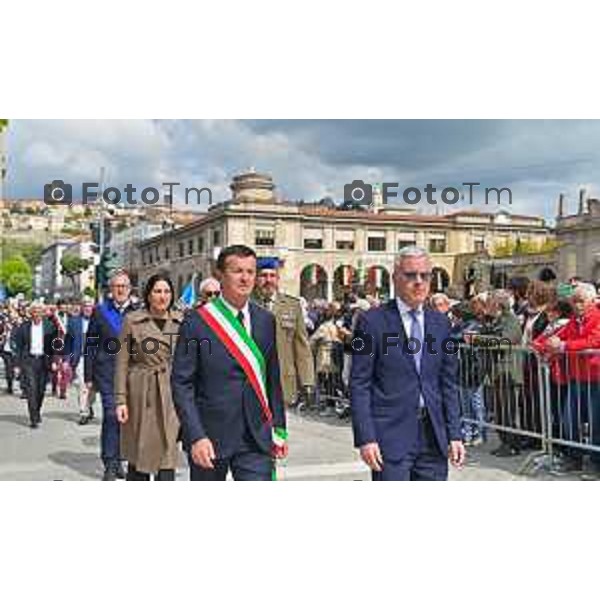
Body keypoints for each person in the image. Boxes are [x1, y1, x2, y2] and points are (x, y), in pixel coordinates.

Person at [171, 244, 287, 481]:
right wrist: (195, 435)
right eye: (237, 271)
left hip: (256, 436)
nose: (245, 278)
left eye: (250, 272)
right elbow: (182, 383)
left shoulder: (265, 320)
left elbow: (272, 379)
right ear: (220, 275)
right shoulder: (197, 321)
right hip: (210, 437)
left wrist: (279, 428)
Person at [350, 246, 465, 480]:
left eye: (425, 275)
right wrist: (366, 437)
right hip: (390, 437)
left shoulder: (441, 324)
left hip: (433, 437)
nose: (419, 282)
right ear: (395, 278)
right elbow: (359, 384)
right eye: (411, 275)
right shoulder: (371, 322)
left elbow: (448, 383)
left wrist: (455, 433)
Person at [115, 273, 183, 481]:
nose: (163, 296)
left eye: (167, 291)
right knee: (139, 455)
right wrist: (121, 400)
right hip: (141, 392)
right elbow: (122, 362)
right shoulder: (133, 320)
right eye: (157, 291)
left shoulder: (181, 321)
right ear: (148, 294)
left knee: (167, 453)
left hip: (170, 393)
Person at [85, 271, 139, 481]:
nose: (120, 290)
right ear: (110, 290)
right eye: (117, 286)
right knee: (111, 416)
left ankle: (120, 460)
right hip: (106, 373)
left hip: (131, 374)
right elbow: (90, 344)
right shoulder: (100, 312)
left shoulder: (138, 312)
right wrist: (89, 376)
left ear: (130, 289)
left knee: (126, 420)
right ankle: (110, 462)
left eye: (124, 286)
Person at [255, 257, 315, 407]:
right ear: (256, 279)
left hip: (283, 378)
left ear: (278, 279)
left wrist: (307, 380)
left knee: (279, 427)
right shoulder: (247, 304)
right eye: (263, 276)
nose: (268, 280)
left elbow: (301, 345)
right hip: (253, 378)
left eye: (272, 276)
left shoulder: (292, 306)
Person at [14, 302, 59, 428]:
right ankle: (33, 418)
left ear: (43, 313)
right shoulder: (24, 327)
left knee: (40, 390)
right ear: (31, 313)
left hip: (44, 361)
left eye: (40, 311)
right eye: (35, 311)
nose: (37, 314)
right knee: (31, 389)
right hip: (29, 361)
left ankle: (37, 410)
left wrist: (55, 361)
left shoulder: (50, 326)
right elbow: (19, 346)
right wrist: (17, 364)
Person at [67, 298, 96, 425]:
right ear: (81, 307)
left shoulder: (98, 321)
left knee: (93, 388)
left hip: (95, 359)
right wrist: (67, 359)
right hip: (81, 358)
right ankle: (83, 412)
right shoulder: (74, 322)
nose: (87, 308)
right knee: (82, 386)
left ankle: (89, 406)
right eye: (85, 306)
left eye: (90, 306)